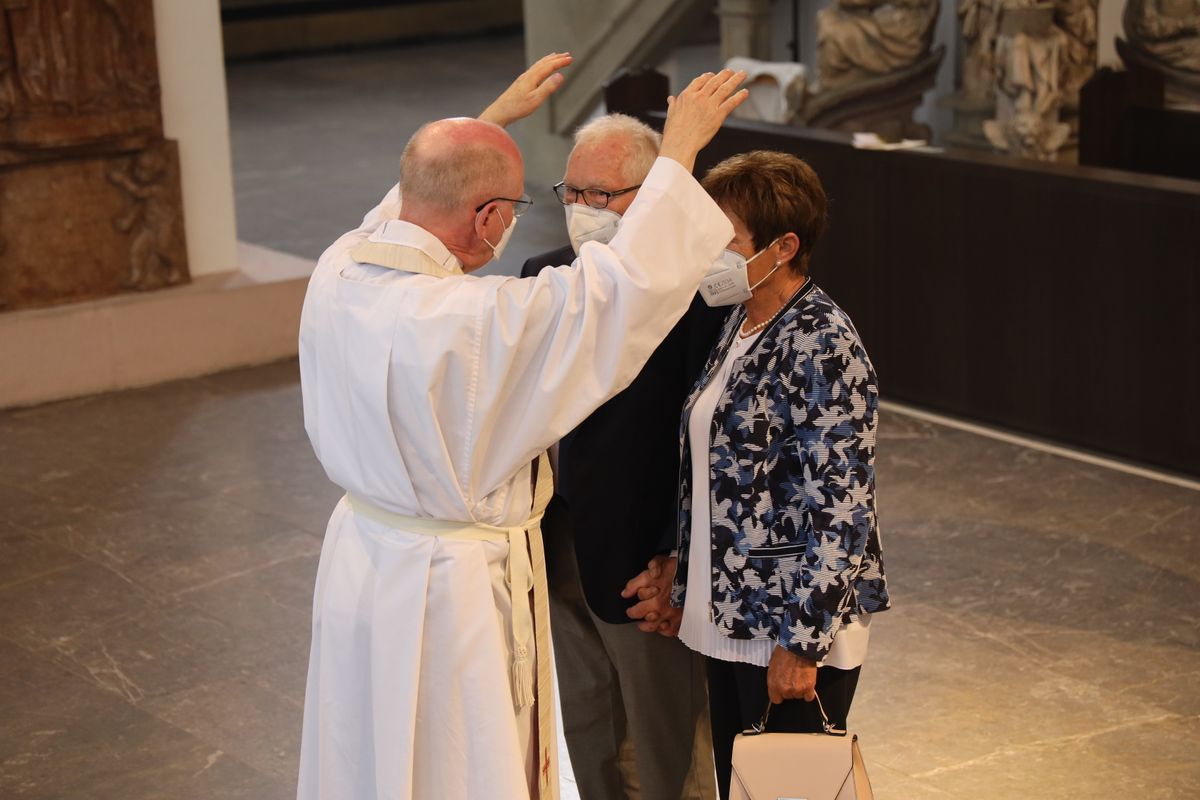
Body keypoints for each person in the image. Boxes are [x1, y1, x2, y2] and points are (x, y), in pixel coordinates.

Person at [295, 54, 749, 800]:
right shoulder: (477, 322)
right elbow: (614, 294)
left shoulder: (339, 272)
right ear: (487, 219)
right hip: (450, 594)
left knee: (369, 747)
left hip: (363, 561)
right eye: (517, 205)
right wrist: (679, 154)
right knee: (453, 764)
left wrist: (489, 122)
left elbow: (404, 208)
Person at [623, 151, 890, 800]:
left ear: (784, 246)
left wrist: (801, 643)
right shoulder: (739, 323)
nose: (708, 255)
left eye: (725, 240)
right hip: (730, 618)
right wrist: (685, 570)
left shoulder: (823, 341)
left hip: (788, 627)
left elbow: (840, 509)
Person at [520, 113, 725, 800]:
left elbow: (711, 443)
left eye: (602, 195)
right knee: (588, 725)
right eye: (571, 192)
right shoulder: (543, 273)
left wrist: (682, 558)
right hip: (559, 545)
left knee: (670, 749)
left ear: (657, 192)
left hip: (646, 563)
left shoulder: (702, 296)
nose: (583, 211)